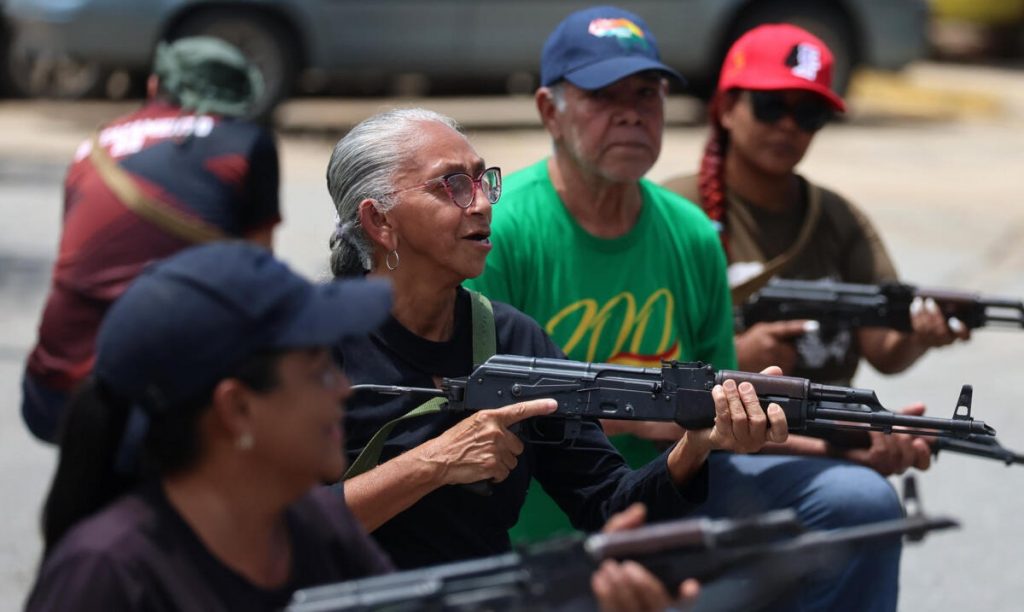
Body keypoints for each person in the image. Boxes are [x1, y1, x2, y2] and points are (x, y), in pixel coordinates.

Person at [466, 6, 917, 611]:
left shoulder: (692, 233)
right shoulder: (500, 231)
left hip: (677, 488)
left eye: (647, 94)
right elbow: (474, 404)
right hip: (538, 511)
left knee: (860, 504)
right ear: (550, 110)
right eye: (604, 94)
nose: (631, 111)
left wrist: (851, 441)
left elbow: (723, 423)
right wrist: (643, 416)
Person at [326, 107, 784, 608]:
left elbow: (607, 502)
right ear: (380, 222)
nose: (481, 204)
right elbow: (266, 529)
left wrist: (696, 446)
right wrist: (433, 463)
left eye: (482, 181)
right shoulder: (307, 347)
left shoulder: (509, 336)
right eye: (451, 185)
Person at [25, 242, 395, 610]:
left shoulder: (312, 519)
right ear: (237, 408)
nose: (343, 389)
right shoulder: (107, 573)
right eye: (319, 374)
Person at [662, 23, 969, 386]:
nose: (789, 125)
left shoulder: (839, 217)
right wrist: (734, 359)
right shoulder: (675, 212)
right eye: (771, 106)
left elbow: (883, 348)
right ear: (727, 108)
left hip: (833, 430)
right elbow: (642, 358)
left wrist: (920, 333)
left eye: (809, 113)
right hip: (724, 436)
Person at [22, 36, 281, 443]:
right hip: (163, 398)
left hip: (52, 388)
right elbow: (257, 281)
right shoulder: (246, 145)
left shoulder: (92, 146)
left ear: (154, 86)